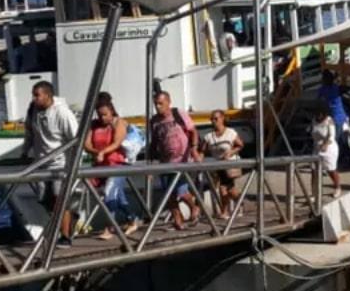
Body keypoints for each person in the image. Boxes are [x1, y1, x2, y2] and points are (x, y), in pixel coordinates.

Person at [23, 80, 80, 246]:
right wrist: (25, 151)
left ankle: (65, 236)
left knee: (59, 198)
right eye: (33, 95)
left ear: (48, 95)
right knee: (43, 198)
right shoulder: (33, 110)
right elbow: (30, 133)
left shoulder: (62, 113)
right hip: (41, 162)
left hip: (60, 163)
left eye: (37, 95)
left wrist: (74, 163)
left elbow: (75, 137)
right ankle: (70, 219)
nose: (34, 99)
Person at [84, 97, 138, 239]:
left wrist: (103, 152)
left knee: (109, 194)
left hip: (117, 165)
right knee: (119, 199)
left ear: (112, 111)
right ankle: (133, 219)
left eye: (105, 114)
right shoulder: (94, 125)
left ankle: (110, 228)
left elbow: (117, 142)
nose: (102, 118)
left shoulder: (118, 123)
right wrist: (96, 152)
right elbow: (87, 144)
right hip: (101, 166)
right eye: (99, 114)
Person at [148, 90, 201, 230]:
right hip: (165, 161)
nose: (158, 107)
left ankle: (194, 207)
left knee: (181, 191)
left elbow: (193, 131)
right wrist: (150, 165)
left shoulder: (178, 113)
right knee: (169, 195)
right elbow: (154, 143)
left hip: (182, 160)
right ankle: (178, 219)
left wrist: (194, 149)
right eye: (156, 104)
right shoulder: (154, 121)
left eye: (161, 103)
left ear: (168, 102)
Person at [200, 109, 245, 218]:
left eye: (216, 119)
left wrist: (230, 152)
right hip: (218, 165)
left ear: (222, 118)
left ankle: (225, 211)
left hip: (230, 164)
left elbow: (240, 145)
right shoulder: (209, 136)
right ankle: (238, 204)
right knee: (228, 189)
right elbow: (202, 151)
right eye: (212, 119)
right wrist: (199, 160)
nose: (213, 121)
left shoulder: (230, 133)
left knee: (224, 188)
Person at [316, 70, 350, 169]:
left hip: (336, 118)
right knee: (341, 140)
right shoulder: (335, 88)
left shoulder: (326, 89)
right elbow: (347, 88)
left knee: (336, 140)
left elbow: (318, 100)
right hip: (339, 117)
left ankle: (339, 160)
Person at [310, 103, 341, 197]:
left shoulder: (329, 121)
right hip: (317, 148)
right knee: (314, 171)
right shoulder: (314, 120)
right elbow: (313, 132)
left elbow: (332, 136)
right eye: (317, 113)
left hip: (329, 149)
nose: (318, 115)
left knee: (331, 170)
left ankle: (337, 187)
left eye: (320, 113)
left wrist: (326, 144)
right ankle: (314, 193)